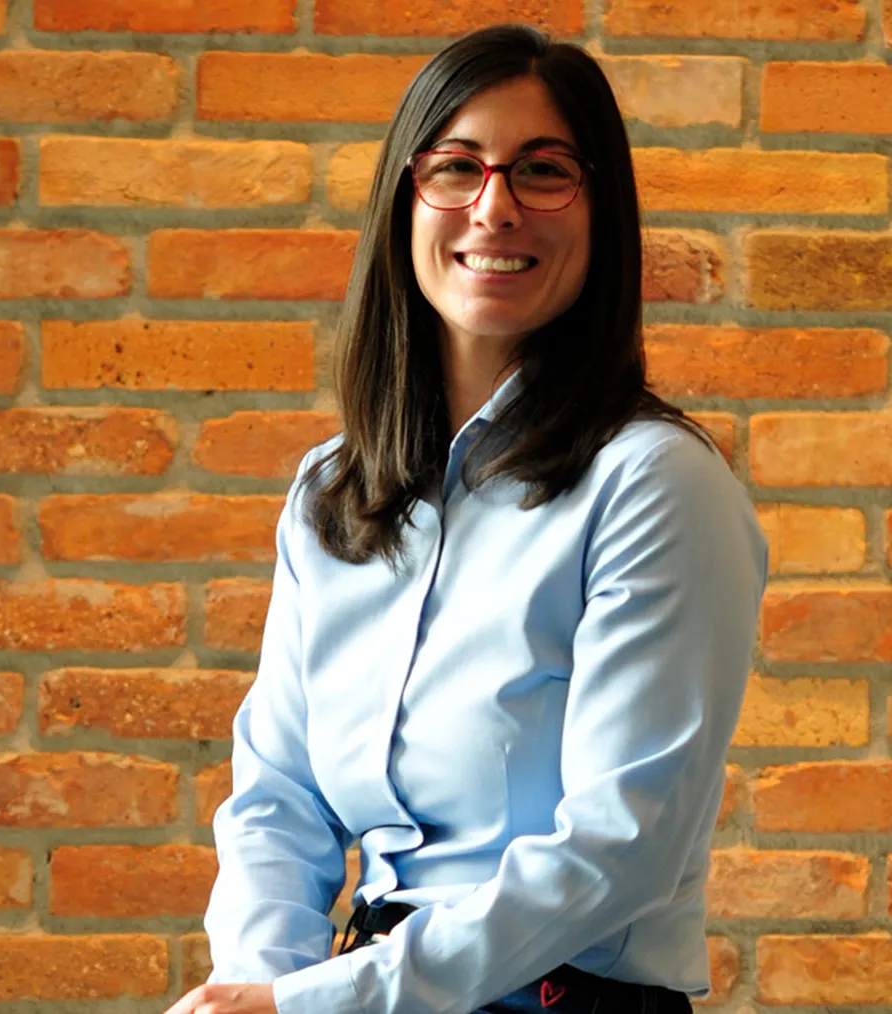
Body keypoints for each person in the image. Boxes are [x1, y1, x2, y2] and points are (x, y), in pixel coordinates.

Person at [168, 23, 769, 1014]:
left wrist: (317, 1007)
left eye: (542, 169)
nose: (495, 206)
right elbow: (278, 803)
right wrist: (258, 990)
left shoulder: (654, 485)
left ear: (600, 209)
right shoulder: (333, 493)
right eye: (456, 167)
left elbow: (621, 846)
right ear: (405, 201)